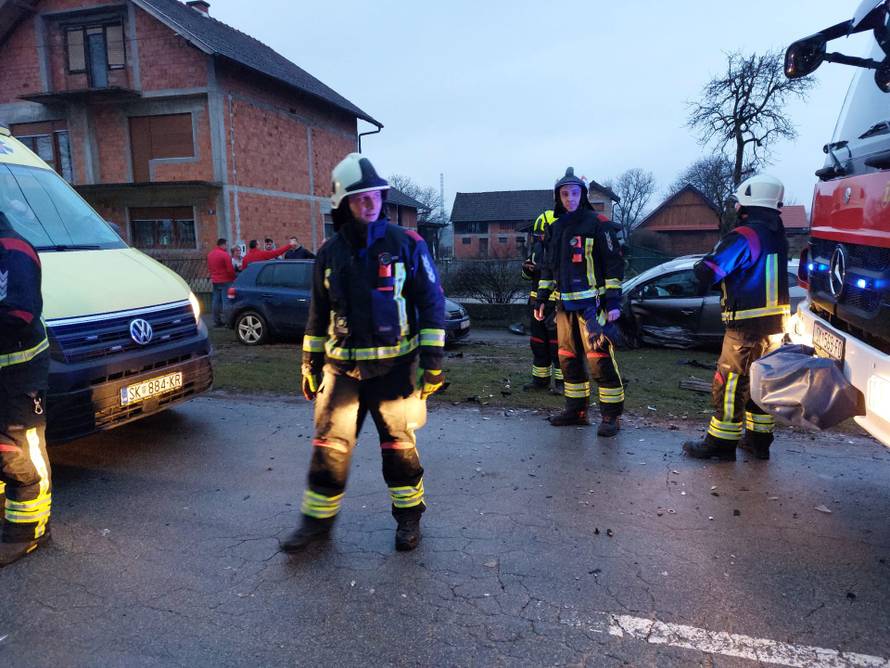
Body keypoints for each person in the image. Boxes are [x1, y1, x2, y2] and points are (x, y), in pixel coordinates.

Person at [281, 153, 445, 553]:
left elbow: (431, 304)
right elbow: (318, 314)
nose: (369, 203)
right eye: (359, 197)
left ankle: (409, 520)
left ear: (382, 197)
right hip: (341, 373)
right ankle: (316, 525)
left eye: (374, 195)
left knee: (399, 449)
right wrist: (310, 365)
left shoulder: (407, 244)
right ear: (344, 204)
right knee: (329, 449)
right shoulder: (329, 252)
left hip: (395, 371)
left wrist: (433, 366)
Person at [683, 174, 790, 461]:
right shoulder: (778, 235)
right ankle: (759, 441)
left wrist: (700, 271)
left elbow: (710, 270)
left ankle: (721, 443)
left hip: (745, 327)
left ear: (746, 204)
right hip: (777, 327)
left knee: (730, 383)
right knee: (763, 383)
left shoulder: (746, 235)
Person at [535, 167, 625, 436]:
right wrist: (542, 300)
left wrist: (614, 303)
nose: (569, 198)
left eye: (574, 193)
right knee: (567, 359)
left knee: (600, 360)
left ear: (582, 195)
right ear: (558, 197)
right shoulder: (555, 228)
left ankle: (611, 417)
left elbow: (613, 265)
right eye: (564, 194)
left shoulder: (598, 223)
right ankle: (577, 411)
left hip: (592, 308)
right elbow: (548, 269)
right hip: (564, 308)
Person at [0, 211, 52, 566]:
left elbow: (18, 313)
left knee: (21, 451)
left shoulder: (13, 250)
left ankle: (29, 531)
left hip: (19, 374)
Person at [521, 210, 563, 394]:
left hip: (557, 306)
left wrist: (539, 269)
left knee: (558, 346)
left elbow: (559, 274)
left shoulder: (565, 249)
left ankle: (563, 384)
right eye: (537, 234)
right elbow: (527, 274)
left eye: (542, 233)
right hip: (537, 303)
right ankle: (540, 380)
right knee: (538, 343)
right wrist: (528, 270)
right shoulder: (539, 248)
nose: (539, 237)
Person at [207, 238, 235, 327]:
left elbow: (210, 267)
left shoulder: (210, 254)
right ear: (222, 245)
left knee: (215, 301)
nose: (227, 247)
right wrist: (233, 278)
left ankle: (217, 321)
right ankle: (228, 321)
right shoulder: (225, 255)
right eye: (226, 245)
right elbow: (230, 269)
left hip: (215, 280)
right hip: (225, 280)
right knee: (226, 301)